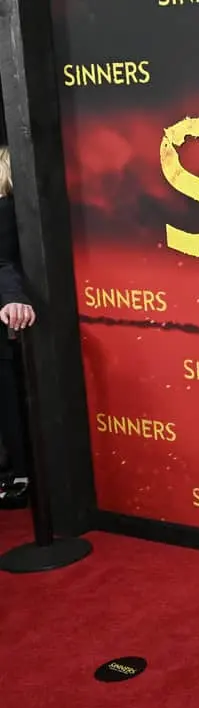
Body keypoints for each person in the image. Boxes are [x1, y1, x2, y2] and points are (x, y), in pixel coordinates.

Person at [0, 145, 36, 510]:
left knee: (9, 401)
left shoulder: (4, 210)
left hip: (8, 320)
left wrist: (12, 298)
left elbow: (3, 263)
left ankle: (21, 476)